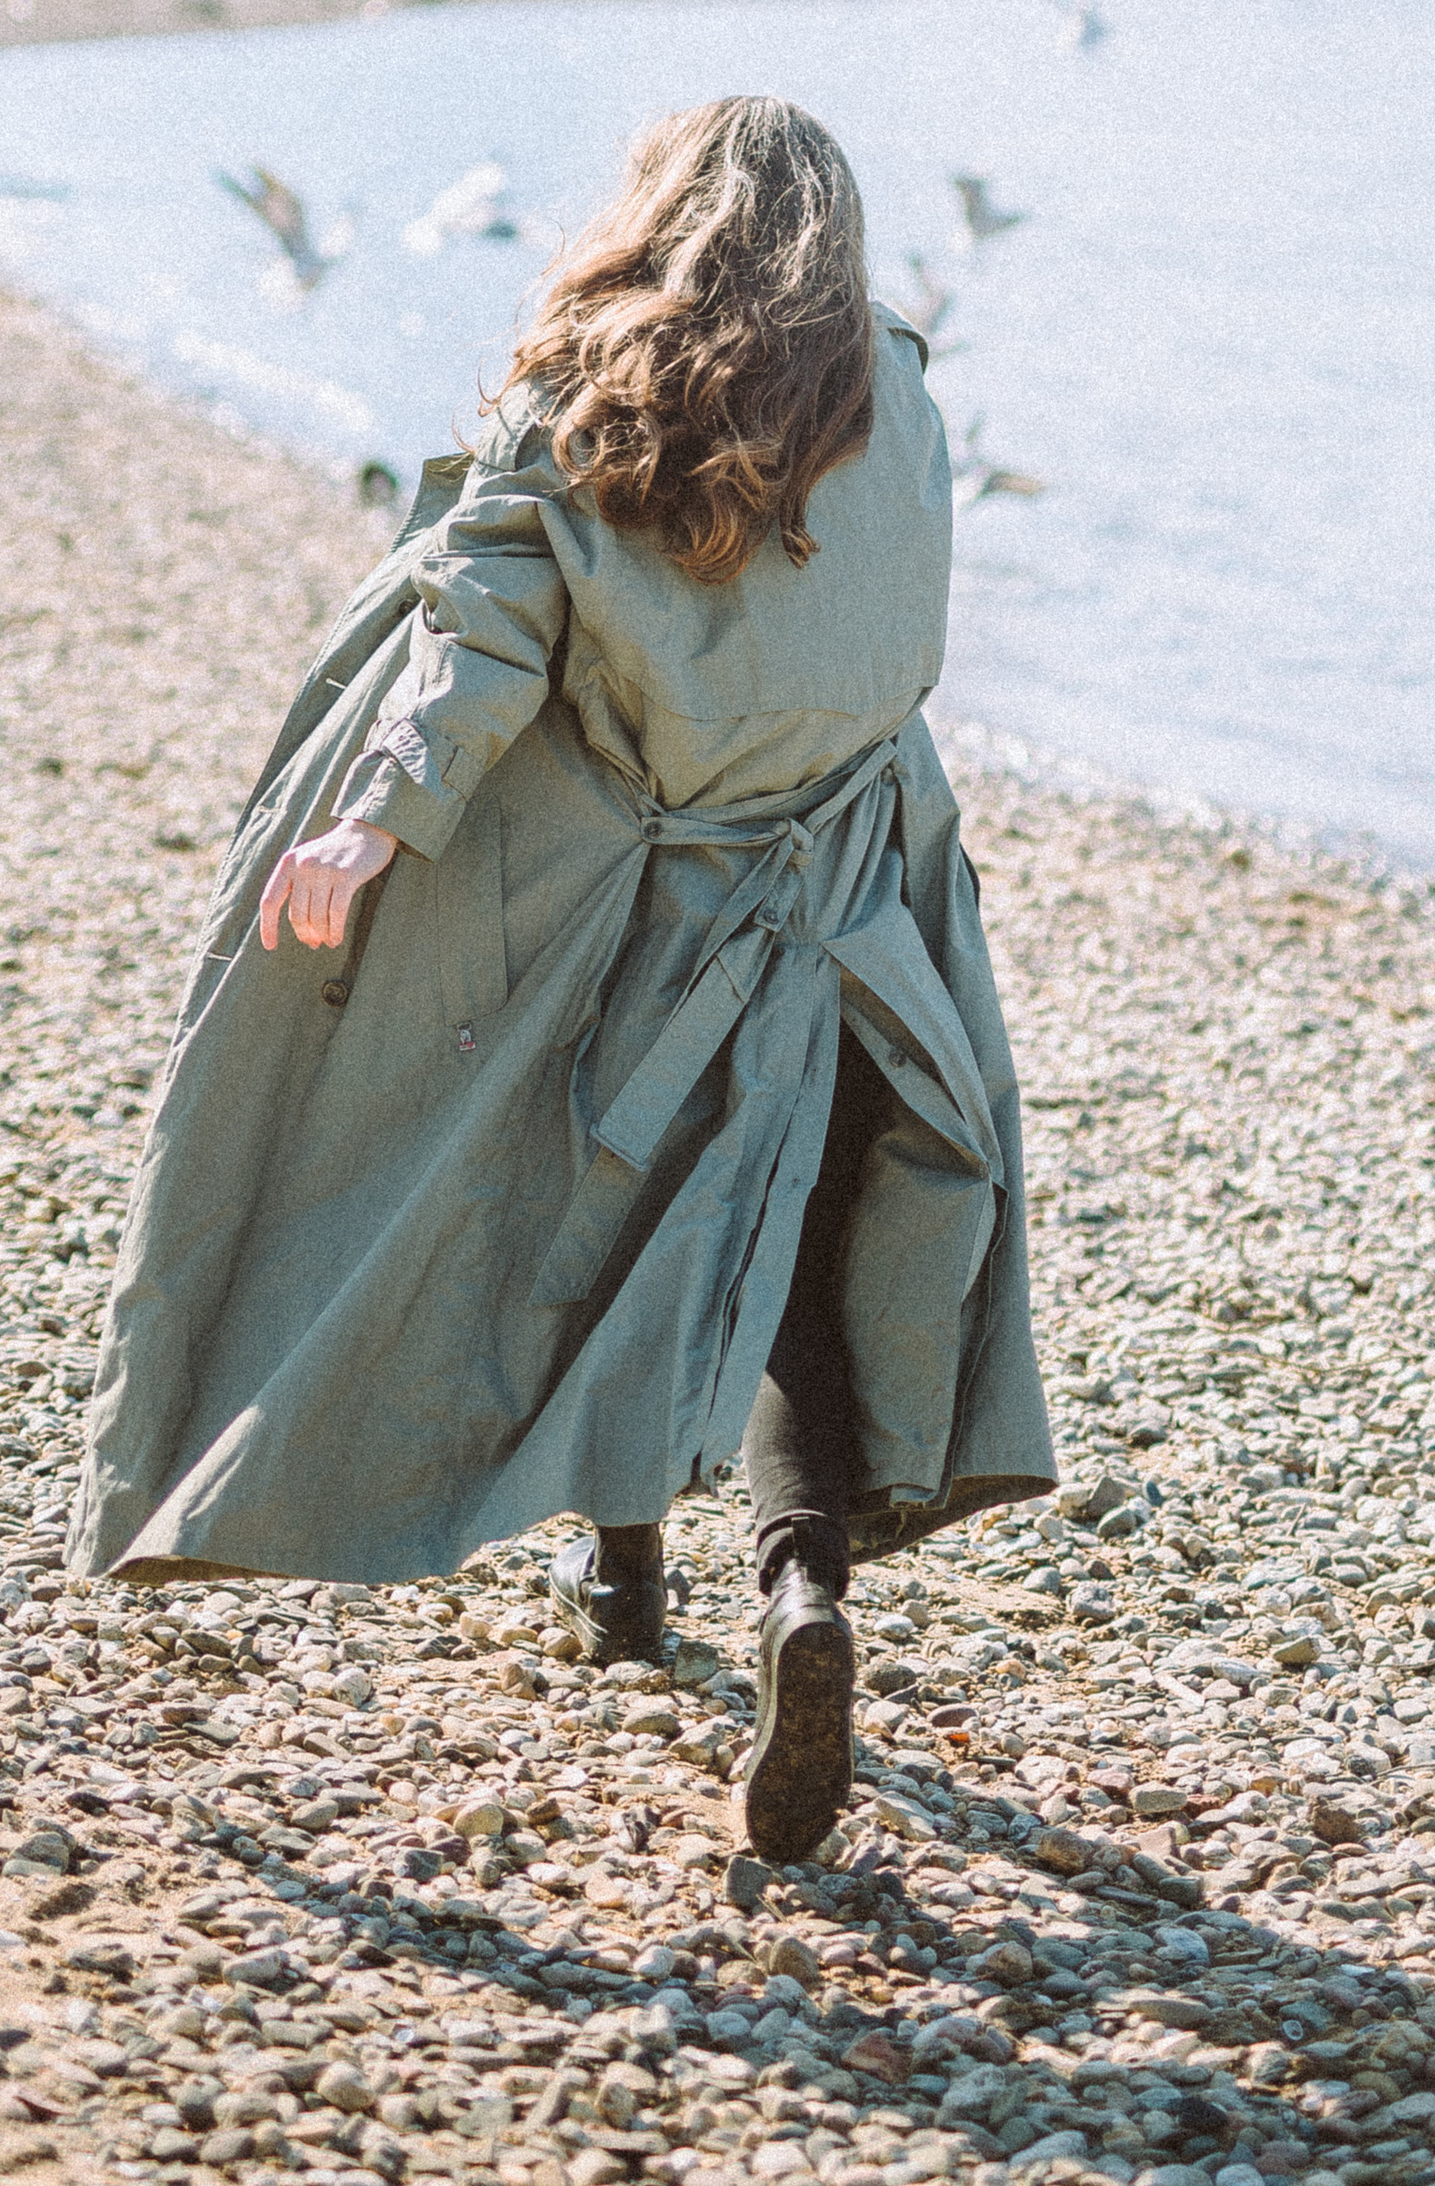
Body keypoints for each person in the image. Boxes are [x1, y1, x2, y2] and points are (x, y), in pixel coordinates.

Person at [75, 95, 1052, 1863]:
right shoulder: (895, 391)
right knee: (792, 1257)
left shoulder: (587, 391)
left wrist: (377, 822)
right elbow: (901, 651)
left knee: (612, 1216)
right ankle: (795, 1595)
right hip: (841, 904)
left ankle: (620, 1586)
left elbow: (486, 638)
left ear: (661, 210)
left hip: (636, 908)